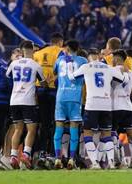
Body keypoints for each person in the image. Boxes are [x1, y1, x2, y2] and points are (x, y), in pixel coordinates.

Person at [69, 48, 128, 170]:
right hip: (106, 105)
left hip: (92, 104)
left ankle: (95, 163)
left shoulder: (86, 66)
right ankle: (111, 163)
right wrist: (125, 73)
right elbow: (122, 80)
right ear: (99, 56)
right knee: (107, 134)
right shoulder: (108, 67)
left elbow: (72, 78)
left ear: (89, 57)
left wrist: (70, 68)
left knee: (87, 134)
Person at [6, 40, 44, 169]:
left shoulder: (13, 63)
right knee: (32, 129)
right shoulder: (35, 65)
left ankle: (13, 156)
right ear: (33, 50)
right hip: (28, 101)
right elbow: (43, 82)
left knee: (17, 129)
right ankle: (26, 155)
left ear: (22, 50)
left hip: (14, 100)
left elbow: (7, 77)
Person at [52, 39, 86, 169]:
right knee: (74, 128)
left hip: (61, 97)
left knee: (59, 127)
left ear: (67, 48)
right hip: (75, 98)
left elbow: (55, 73)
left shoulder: (59, 60)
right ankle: (71, 159)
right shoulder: (83, 61)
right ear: (78, 49)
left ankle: (57, 158)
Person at [33, 32, 63, 165]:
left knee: (43, 124)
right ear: (60, 42)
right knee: (55, 123)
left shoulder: (38, 53)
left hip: (39, 90)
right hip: (54, 91)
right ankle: (52, 153)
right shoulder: (61, 52)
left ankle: (41, 152)